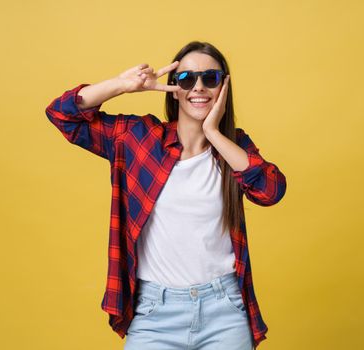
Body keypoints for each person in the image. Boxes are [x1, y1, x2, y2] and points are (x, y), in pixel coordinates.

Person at [45, 40, 287, 349]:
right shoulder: (139, 139)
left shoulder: (234, 148)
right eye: (187, 79)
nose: (198, 87)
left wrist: (214, 133)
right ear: (173, 87)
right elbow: (62, 115)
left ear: (224, 86)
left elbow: (271, 190)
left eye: (210, 78)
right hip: (154, 313)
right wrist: (121, 85)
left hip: (224, 310)